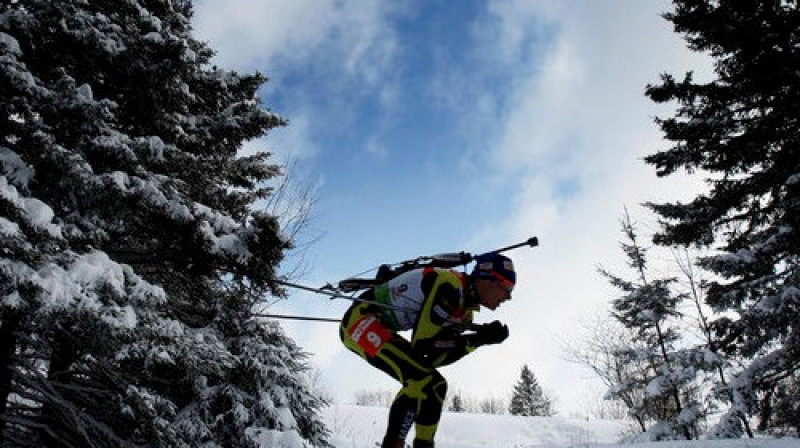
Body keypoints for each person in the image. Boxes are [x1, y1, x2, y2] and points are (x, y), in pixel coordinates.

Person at [339, 252, 516, 448]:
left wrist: (477, 341)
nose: (509, 296)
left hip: (380, 326)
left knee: (429, 383)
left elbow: (435, 358)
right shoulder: (450, 287)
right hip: (361, 321)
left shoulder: (465, 311)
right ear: (487, 279)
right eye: (507, 287)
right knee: (427, 382)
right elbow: (423, 347)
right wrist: (476, 338)